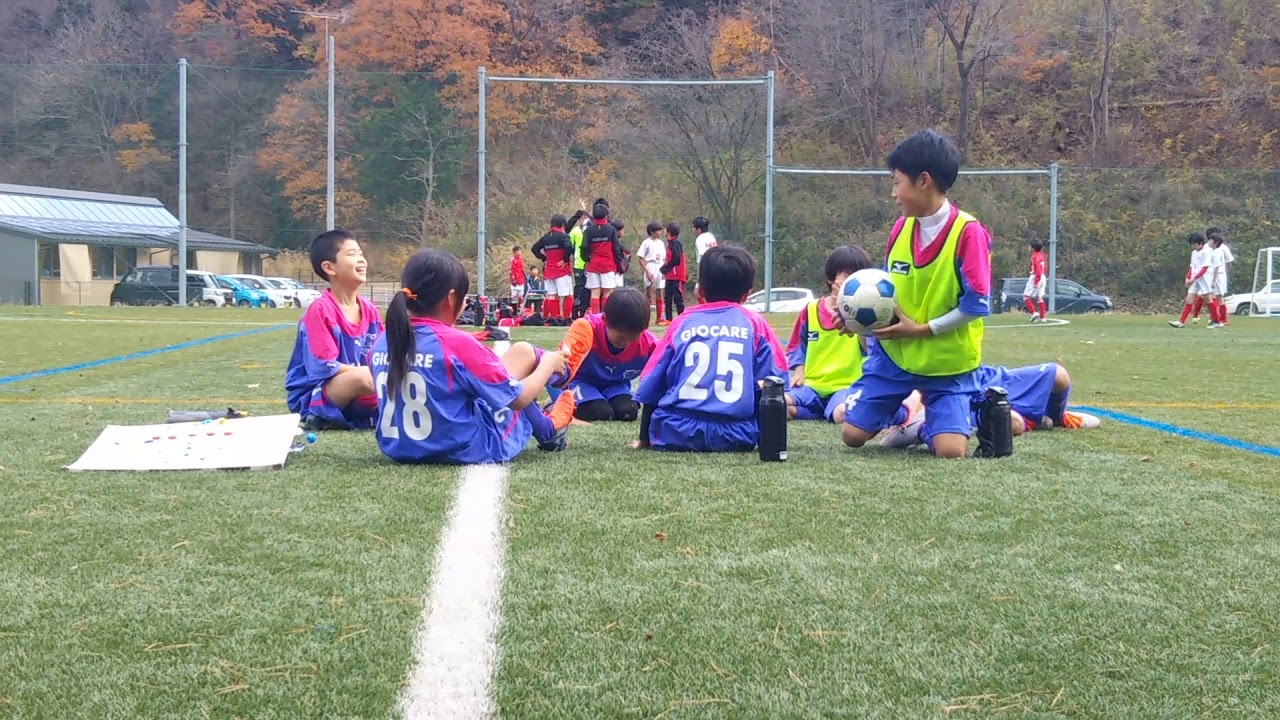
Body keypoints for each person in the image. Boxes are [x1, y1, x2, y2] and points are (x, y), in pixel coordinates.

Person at [839, 129, 994, 460]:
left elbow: (976, 305)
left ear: (924, 181)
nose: (894, 193)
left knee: (951, 452)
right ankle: (912, 417)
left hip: (947, 364)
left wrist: (922, 329)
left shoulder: (968, 233)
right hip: (897, 358)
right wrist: (855, 319)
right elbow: (886, 296)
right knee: (851, 436)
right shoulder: (901, 227)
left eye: (897, 183)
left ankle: (930, 426)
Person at [370, 249, 580, 464]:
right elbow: (518, 399)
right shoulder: (456, 343)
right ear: (452, 298)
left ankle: (556, 398)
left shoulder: (383, 340)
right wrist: (548, 364)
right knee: (515, 380)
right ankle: (550, 428)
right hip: (461, 447)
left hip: (399, 447)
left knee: (522, 352)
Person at [635, 245, 789, 452]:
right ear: (747, 295)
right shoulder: (755, 324)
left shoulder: (682, 322)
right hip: (736, 435)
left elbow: (653, 384)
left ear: (701, 290)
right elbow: (773, 383)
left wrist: (644, 440)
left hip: (677, 432)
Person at [285, 229, 382, 431]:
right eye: (352, 254)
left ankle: (364, 414)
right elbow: (322, 367)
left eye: (361, 253)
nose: (361, 260)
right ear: (329, 267)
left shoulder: (371, 310)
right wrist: (369, 373)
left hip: (362, 386)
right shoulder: (321, 310)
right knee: (366, 378)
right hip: (317, 392)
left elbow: (382, 354)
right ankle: (317, 414)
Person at [880, 362, 1101, 449]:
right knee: (1009, 423)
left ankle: (1058, 417)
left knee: (1059, 375)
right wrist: (907, 417)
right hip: (953, 396)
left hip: (983, 377)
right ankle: (1035, 420)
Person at [785, 245, 873, 422]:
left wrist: (850, 311)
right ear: (831, 278)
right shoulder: (811, 309)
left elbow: (869, 349)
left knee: (841, 414)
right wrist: (799, 372)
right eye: (847, 275)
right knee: (776, 404)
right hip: (811, 386)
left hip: (846, 386)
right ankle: (818, 411)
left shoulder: (866, 312)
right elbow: (797, 346)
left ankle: (822, 411)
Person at [563, 287, 658, 422]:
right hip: (582, 381)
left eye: (633, 339)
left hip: (616, 385)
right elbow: (558, 367)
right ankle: (555, 403)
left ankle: (604, 398)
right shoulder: (587, 329)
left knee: (628, 412)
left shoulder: (650, 345)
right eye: (621, 338)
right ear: (605, 320)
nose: (626, 343)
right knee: (600, 412)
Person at [581, 203, 624, 315]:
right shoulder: (611, 230)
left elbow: (584, 247)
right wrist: (619, 264)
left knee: (595, 292)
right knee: (607, 292)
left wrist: (587, 259)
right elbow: (616, 248)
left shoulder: (588, 231)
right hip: (608, 265)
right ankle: (606, 316)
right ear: (606, 216)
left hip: (593, 265)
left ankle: (595, 316)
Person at [532, 214, 574, 323]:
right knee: (567, 294)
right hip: (561, 271)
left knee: (551, 295)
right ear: (563, 225)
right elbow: (569, 247)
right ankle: (566, 319)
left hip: (549, 270)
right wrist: (565, 260)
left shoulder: (546, 237)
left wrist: (544, 258)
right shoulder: (563, 236)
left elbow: (535, 248)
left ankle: (555, 319)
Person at [1170, 233, 1211, 328]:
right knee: (1189, 299)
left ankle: (1217, 320)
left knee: (1208, 299)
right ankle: (1182, 321)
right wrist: (1188, 277)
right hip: (1194, 279)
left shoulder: (1206, 252)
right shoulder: (1194, 253)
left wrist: (1194, 279)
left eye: (1194, 244)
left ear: (1200, 243)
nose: (1193, 246)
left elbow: (1204, 268)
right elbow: (1192, 267)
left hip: (1203, 278)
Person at [638, 221, 668, 323]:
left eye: (660, 230)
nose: (660, 233)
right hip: (650, 266)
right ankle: (646, 318)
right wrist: (647, 271)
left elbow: (664, 258)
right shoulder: (646, 243)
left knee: (660, 292)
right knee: (649, 293)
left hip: (660, 266)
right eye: (657, 231)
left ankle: (659, 318)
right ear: (652, 232)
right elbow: (641, 258)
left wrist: (664, 271)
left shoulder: (661, 243)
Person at [659, 221, 687, 323]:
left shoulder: (676, 243)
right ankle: (669, 319)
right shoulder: (670, 243)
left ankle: (682, 318)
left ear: (669, 231)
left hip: (676, 275)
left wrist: (666, 268)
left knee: (678, 298)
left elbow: (677, 259)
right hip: (670, 276)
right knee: (668, 298)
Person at [1207, 226, 1234, 326]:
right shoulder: (1209, 247)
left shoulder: (1222, 248)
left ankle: (1219, 319)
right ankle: (1217, 318)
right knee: (1214, 297)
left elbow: (1229, 261)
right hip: (1212, 274)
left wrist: (1224, 273)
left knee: (1216, 296)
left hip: (1218, 275)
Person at [692, 216, 717, 298]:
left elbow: (703, 257)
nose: (693, 229)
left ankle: (706, 308)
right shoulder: (711, 236)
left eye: (694, 227)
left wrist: (699, 276)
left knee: (698, 293)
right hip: (716, 265)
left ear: (698, 229)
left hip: (706, 268)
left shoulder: (700, 239)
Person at [1024, 239, 1048, 322]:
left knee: (1026, 296)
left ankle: (1033, 312)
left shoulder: (1034, 256)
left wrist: (1036, 280)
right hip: (1043, 276)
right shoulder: (1041, 255)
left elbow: (1037, 268)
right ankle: (1042, 317)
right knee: (1039, 297)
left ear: (1033, 248)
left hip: (1036, 276)